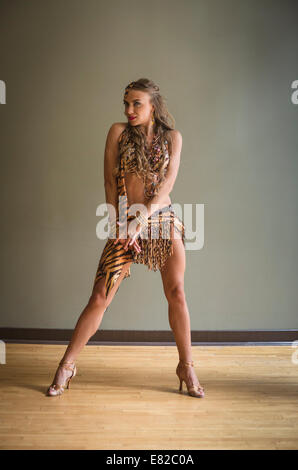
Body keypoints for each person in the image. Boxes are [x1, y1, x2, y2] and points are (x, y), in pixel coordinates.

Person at [46, 78, 205, 398]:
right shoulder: (117, 133)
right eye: (126, 103)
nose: (129, 110)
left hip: (161, 219)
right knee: (100, 297)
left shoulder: (173, 137)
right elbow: (108, 181)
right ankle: (67, 365)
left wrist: (141, 221)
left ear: (153, 106)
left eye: (137, 104)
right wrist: (122, 225)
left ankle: (186, 366)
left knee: (177, 292)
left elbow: (167, 185)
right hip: (124, 221)